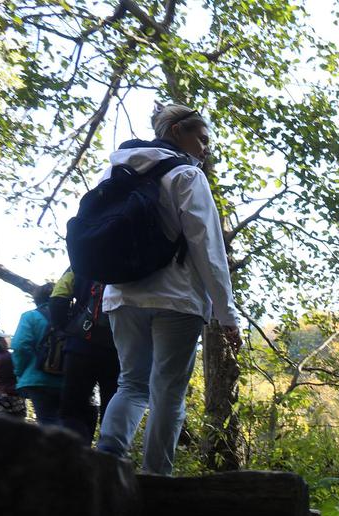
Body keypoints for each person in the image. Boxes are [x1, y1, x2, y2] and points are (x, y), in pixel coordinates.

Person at [94, 103, 241, 474]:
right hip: (178, 298)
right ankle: (156, 477)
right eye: (201, 139)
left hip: (122, 294)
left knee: (131, 384)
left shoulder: (115, 170)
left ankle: (105, 464)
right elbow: (208, 247)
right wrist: (227, 314)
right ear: (177, 131)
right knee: (168, 393)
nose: (206, 148)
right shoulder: (187, 176)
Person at [50, 270, 120, 443]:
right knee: (113, 407)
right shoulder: (132, 260)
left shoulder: (80, 261)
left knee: (72, 408)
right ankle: (110, 453)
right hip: (119, 348)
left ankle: (73, 452)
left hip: (80, 345)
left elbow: (58, 298)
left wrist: (66, 328)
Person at [11, 283, 62, 426]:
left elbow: (20, 346)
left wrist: (20, 371)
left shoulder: (31, 316)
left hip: (38, 379)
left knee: (47, 422)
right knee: (70, 421)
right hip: (69, 379)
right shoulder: (73, 316)